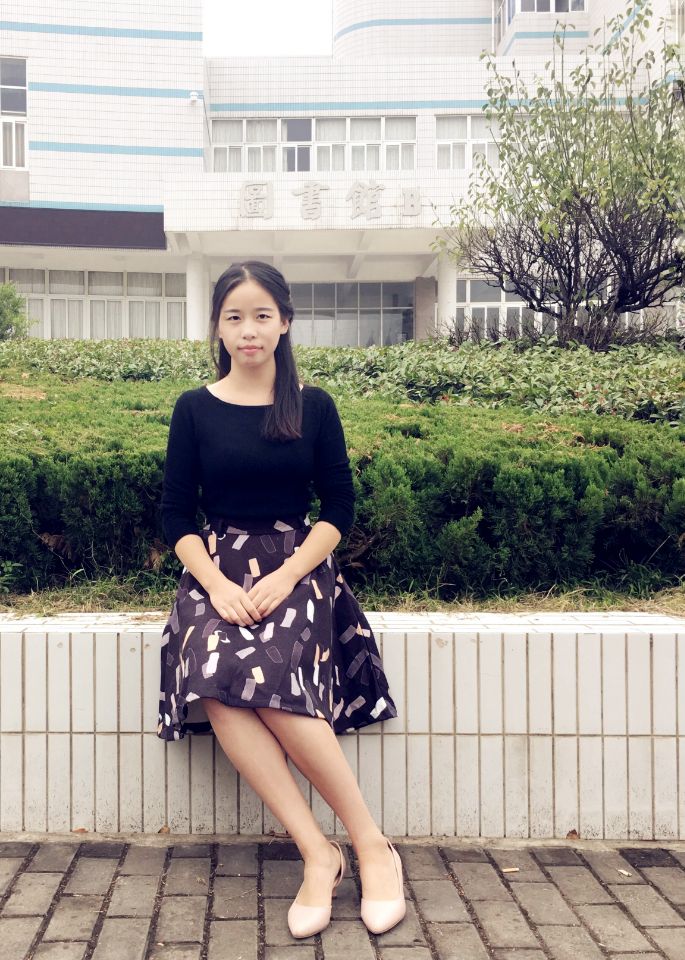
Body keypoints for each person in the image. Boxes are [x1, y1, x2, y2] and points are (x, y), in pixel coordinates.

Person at [158, 260, 406, 939]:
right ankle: (317, 853)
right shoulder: (194, 408)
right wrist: (216, 584)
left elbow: (339, 507)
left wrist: (288, 574)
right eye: (234, 316)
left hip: (299, 568)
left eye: (261, 315)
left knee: (265, 675)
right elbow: (175, 515)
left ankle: (372, 846)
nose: (249, 330)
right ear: (217, 327)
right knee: (214, 673)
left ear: (285, 323)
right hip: (218, 570)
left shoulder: (312, 406)